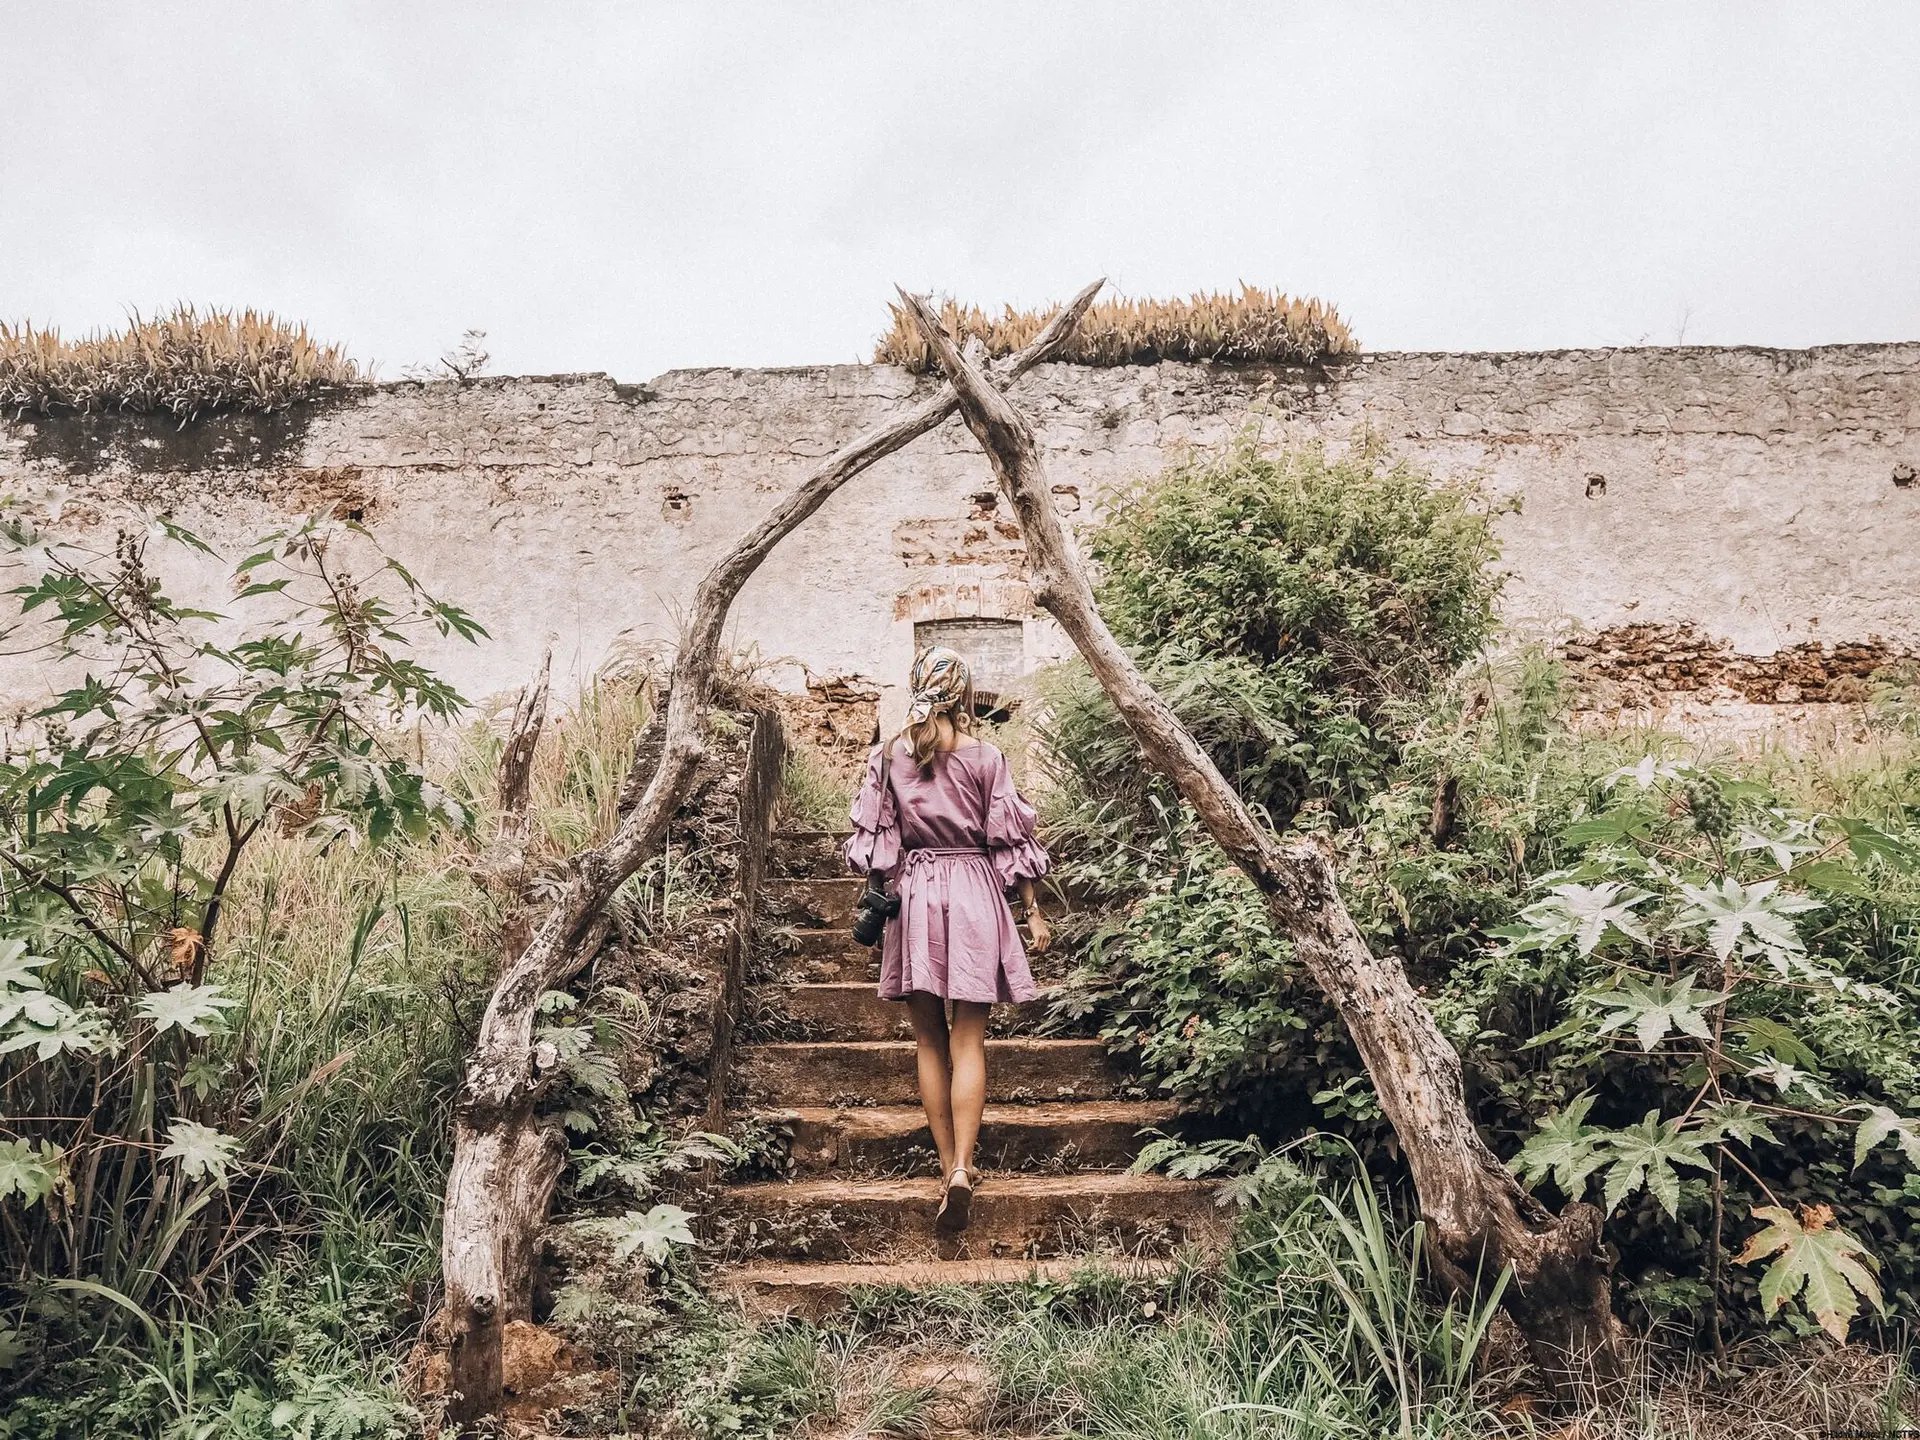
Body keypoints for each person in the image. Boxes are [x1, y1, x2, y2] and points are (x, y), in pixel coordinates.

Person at [844, 646, 1051, 1233]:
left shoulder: (887, 758)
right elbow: (1010, 842)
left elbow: (878, 848)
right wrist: (1031, 912)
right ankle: (965, 1165)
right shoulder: (987, 758)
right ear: (964, 696)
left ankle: (944, 1167)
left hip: (915, 896)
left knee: (928, 1042)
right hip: (975, 893)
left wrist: (880, 898)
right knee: (969, 1041)